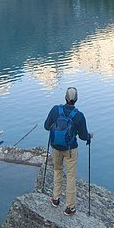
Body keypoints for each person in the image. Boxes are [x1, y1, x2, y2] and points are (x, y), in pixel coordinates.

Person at [44, 86, 93, 215]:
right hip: (70, 149)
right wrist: (90, 136)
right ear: (76, 100)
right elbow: (83, 136)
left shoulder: (56, 110)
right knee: (70, 176)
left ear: (65, 98)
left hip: (55, 147)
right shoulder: (79, 116)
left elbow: (46, 127)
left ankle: (55, 199)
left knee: (57, 171)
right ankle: (70, 207)